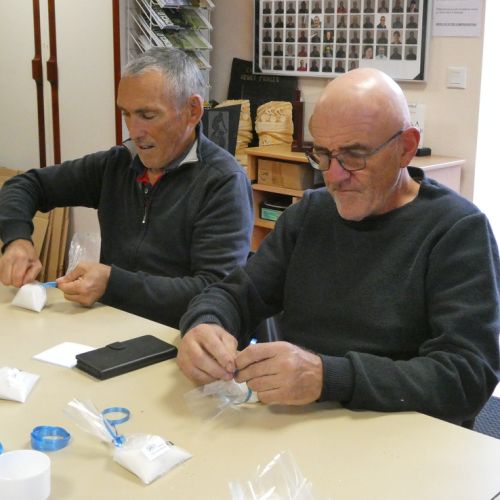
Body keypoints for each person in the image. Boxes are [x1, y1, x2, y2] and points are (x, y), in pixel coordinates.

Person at [176, 67, 500, 428]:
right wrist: (205, 325)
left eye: (355, 155)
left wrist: (328, 377)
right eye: (323, 154)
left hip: (405, 435)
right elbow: (238, 294)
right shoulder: (311, 213)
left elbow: (467, 376)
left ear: (406, 147)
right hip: (305, 425)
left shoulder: (457, 231)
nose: (333, 176)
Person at [0, 47, 253, 328]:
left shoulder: (222, 182)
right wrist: (17, 240)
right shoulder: (118, 163)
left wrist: (113, 283)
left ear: (192, 111)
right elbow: (26, 185)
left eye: (148, 115)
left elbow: (214, 291)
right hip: (115, 328)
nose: (134, 131)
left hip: (181, 337)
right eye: (127, 114)